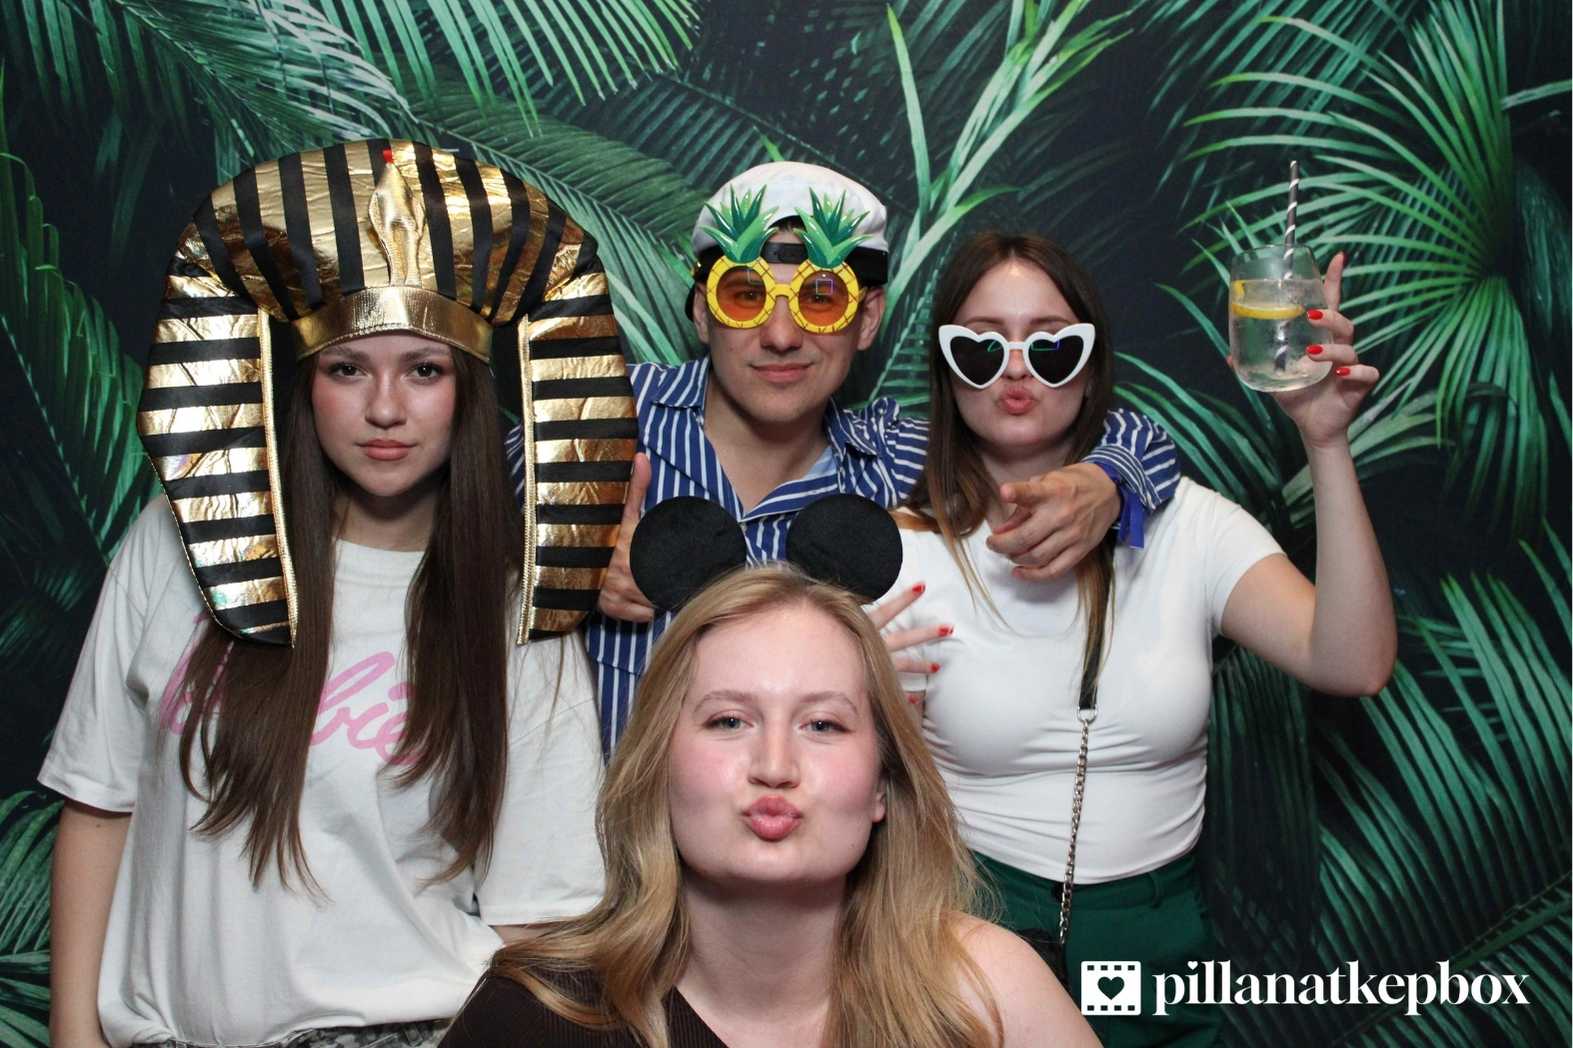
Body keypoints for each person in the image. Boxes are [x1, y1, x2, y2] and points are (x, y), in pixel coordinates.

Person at [42, 139, 637, 1048]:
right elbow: (98, 805)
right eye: (348, 368)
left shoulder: (517, 609)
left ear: (467, 391)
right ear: (304, 383)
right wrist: (74, 1037)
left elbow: (541, 914)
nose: (385, 408)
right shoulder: (177, 543)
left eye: (424, 370)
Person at [878, 232, 1396, 1046]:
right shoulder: (900, 548)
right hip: (969, 927)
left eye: (1051, 347)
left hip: (1155, 935)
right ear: (946, 370)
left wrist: (1323, 442)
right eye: (979, 347)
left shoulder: (1190, 525)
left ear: (1090, 370)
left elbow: (1353, 662)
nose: (1015, 370)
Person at [507, 161, 1181, 755]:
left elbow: (1135, 438)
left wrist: (1105, 482)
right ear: (703, 314)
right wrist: (565, 551)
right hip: (600, 851)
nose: (780, 335)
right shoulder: (605, 417)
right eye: (745, 296)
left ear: (867, 319)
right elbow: (463, 496)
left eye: (820, 299)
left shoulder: (894, 459)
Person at [443, 566, 1098, 1047]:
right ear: (658, 766)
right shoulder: (535, 1015)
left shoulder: (988, 995)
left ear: (882, 784)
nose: (775, 766)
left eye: (823, 725)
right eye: (728, 721)